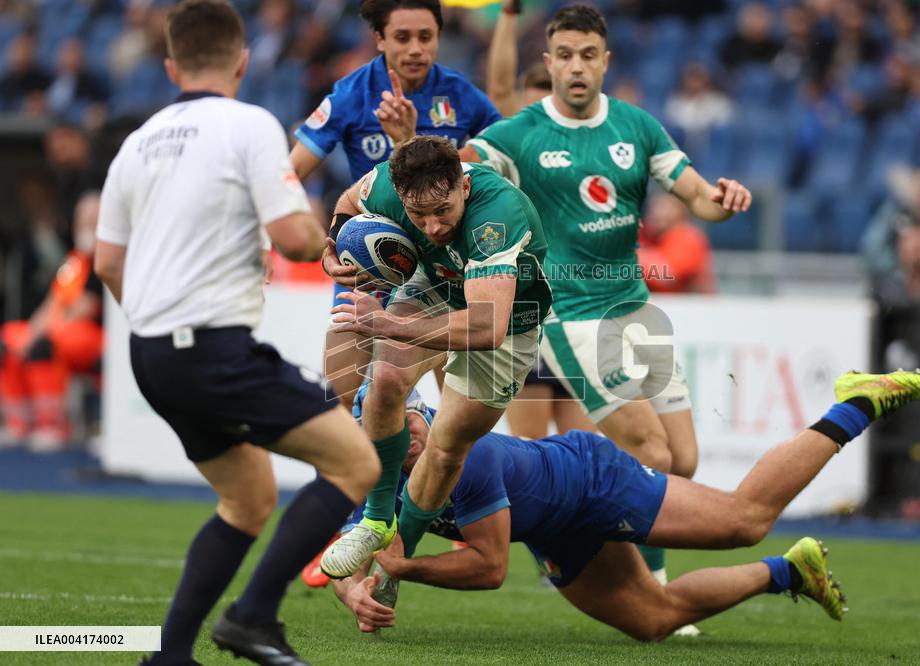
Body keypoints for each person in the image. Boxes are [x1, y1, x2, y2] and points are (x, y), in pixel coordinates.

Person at [93, 3, 379, 664]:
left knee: (247, 500)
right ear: (243, 62)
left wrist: (159, 324)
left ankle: (168, 655)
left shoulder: (138, 141)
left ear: (171, 67)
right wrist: (328, 235)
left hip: (151, 353)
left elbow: (108, 262)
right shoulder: (248, 124)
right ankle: (252, 617)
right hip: (211, 348)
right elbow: (294, 236)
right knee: (357, 463)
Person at [462, 5, 751, 585]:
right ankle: (652, 593)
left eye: (588, 55)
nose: (577, 67)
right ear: (549, 62)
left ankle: (575, 537)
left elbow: (697, 195)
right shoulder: (519, 133)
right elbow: (459, 169)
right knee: (651, 452)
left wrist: (724, 200)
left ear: (605, 62)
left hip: (635, 307)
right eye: (566, 56)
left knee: (682, 460)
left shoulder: (637, 127)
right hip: (571, 315)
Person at [333, 369, 920, 639]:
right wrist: (353, 593)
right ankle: (790, 572)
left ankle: (856, 402)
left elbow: (490, 568)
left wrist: (404, 566)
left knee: (745, 520)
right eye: (391, 432)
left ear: (426, 413)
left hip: (589, 479)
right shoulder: (378, 480)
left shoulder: (464, 454)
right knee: (652, 621)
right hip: (554, 528)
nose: (408, 435)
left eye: (412, 420)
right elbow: (345, 556)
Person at [318, 135, 551, 580]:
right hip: (435, 286)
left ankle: (396, 560)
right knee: (386, 379)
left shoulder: (496, 215)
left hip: (507, 321)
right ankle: (376, 522)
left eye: (442, 211)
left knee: (445, 449)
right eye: (417, 214)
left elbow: (486, 327)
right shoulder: (386, 186)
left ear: (464, 186)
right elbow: (349, 199)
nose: (432, 227)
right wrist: (334, 245)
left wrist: (388, 325)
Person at [292, 0, 502, 405]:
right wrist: (326, 243)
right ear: (380, 39)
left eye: (426, 37)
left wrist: (408, 140)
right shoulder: (352, 93)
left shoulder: (461, 94)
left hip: (444, 262)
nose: (415, 49)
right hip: (371, 260)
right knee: (341, 400)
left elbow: (501, 163)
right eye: (402, 37)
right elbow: (291, 172)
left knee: (454, 412)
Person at [483, 0, 588, 441]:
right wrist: (509, 17)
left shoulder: (582, 151)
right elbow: (499, 86)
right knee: (532, 449)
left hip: (578, 319)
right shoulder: (510, 148)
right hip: (528, 316)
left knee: (583, 452)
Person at [0, 193, 103, 451]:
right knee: (10, 337)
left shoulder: (105, 256)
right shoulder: (73, 260)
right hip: (62, 327)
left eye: (93, 217)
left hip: (93, 335)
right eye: (82, 217)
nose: (86, 223)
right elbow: (52, 302)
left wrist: (41, 333)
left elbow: (88, 307)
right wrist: (31, 331)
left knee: (44, 343)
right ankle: (20, 423)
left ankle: (53, 424)